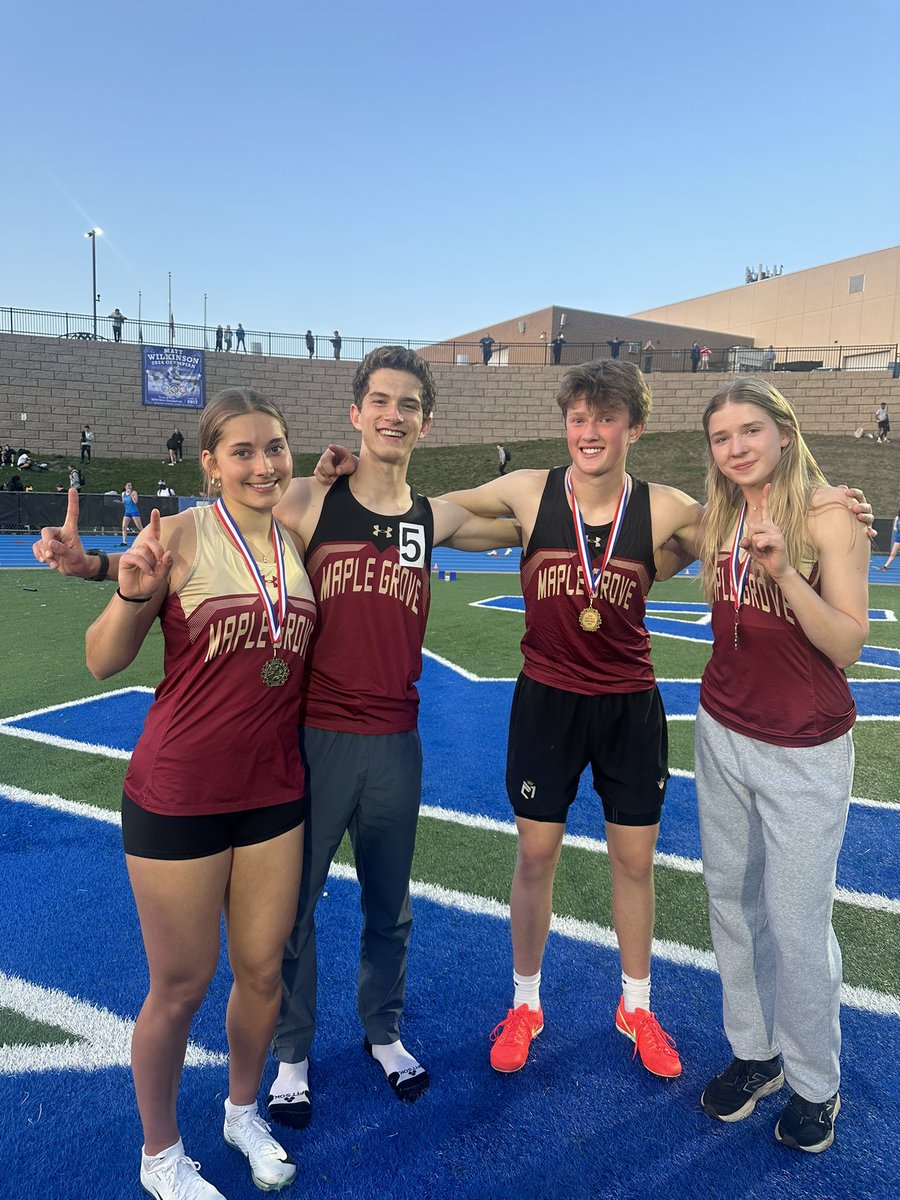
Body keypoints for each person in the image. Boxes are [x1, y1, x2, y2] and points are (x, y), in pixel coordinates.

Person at [31, 346, 520, 1132]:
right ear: (355, 413)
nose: (393, 414)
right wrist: (97, 566)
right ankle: (292, 1053)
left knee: (388, 905)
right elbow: (184, 552)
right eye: (379, 400)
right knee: (291, 916)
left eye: (409, 404)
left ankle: (383, 1031)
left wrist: (598, 492)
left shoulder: (430, 517)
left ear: (427, 422)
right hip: (312, 738)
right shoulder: (305, 499)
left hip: (392, 737)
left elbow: (527, 512)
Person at [433, 361, 875, 1085]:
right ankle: (525, 1003)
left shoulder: (670, 508)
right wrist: (365, 492)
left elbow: (752, 533)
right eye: (579, 418)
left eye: (606, 418)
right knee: (538, 856)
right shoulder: (529, 491)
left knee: (638, 864)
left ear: (633, 428)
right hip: (549, 701)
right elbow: (444, 512)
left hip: (631, 705)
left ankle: (637, 1007)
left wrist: (830, 503)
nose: (591, 432)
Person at [85, 388, 315, 1197]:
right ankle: (160, 1156)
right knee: (180, 986)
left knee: (262, 973)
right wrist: (126, 588)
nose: (263, 464)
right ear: (211, 463)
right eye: (243, 451)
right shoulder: (180, 536)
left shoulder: (295, 541)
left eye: (274, 447)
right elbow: (102, 660)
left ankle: (241, 1112)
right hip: (179, 791)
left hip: (274, 792)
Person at [695, 377, 868, 1154]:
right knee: (732, 902)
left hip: (804, 746)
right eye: (721, 437)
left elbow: (847, 645)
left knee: (798, 923)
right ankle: (756, 1052)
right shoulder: (719, 511)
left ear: (785, 434)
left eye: (750, 431)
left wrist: (786, 573)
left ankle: (815, 1083)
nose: (736, 448)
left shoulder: (831, 514)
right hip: (722, 730)